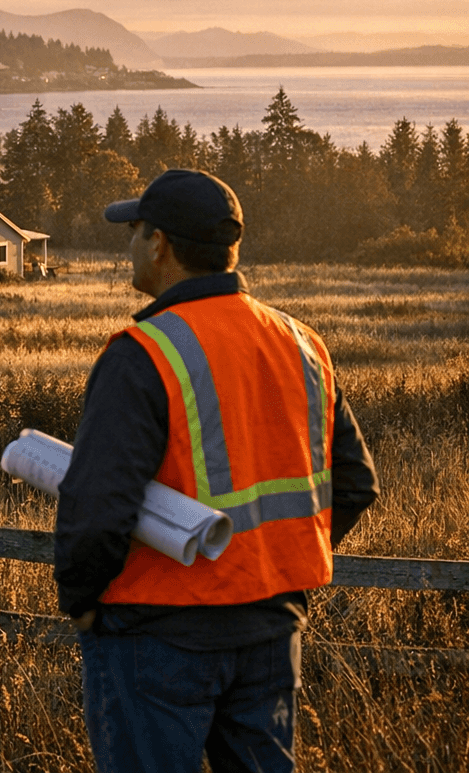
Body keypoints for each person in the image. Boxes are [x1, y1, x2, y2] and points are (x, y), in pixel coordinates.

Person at [55, 169, 379, 773]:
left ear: (159, 244)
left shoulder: (144, 352)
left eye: (135, 231)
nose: (129, 244)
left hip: (156, 637)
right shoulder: (302, 344)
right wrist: (272, 566)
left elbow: (96, 506)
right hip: (271, 632)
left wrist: (82, 602)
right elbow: (355, 484)